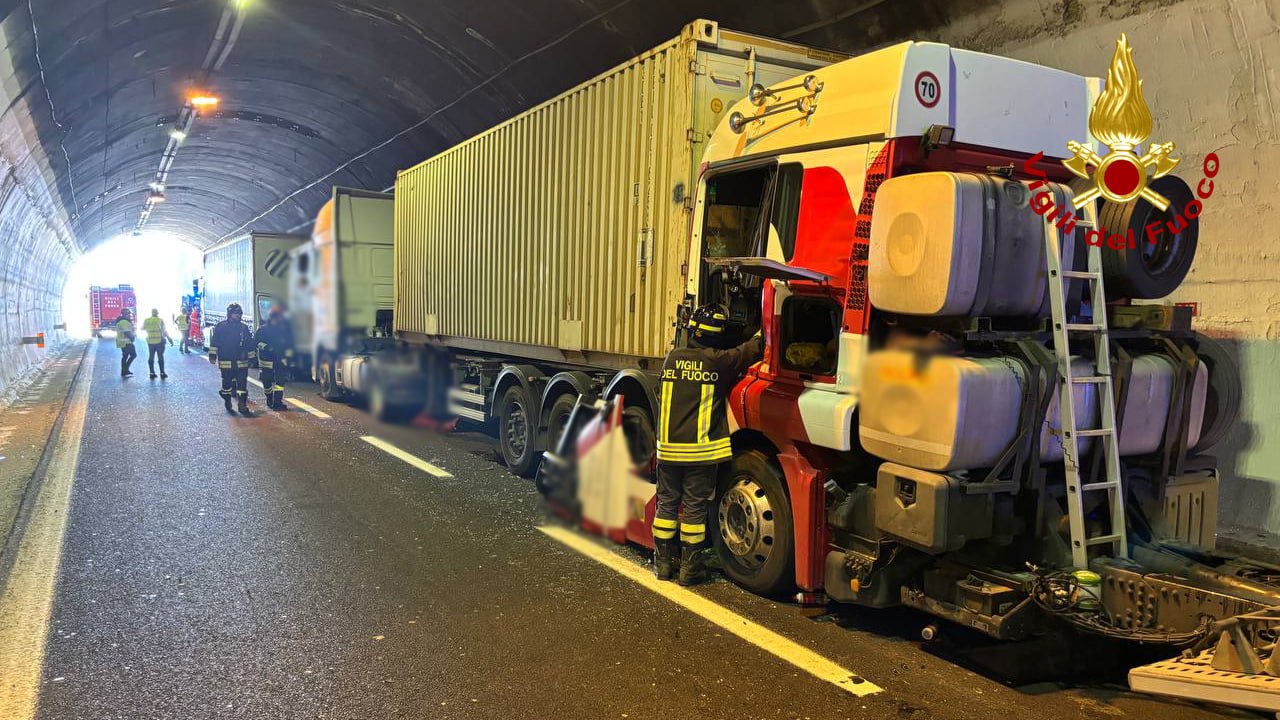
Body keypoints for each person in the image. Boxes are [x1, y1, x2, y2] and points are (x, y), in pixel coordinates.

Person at [652, 303, 762, 585]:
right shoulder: (718, 362)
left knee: (666, 505)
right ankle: (690, 570)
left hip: (668, 450)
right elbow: (749, 351)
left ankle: (662, 565)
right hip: (699, 453)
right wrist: (765, 332)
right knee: (694, 509)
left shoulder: (672, 358)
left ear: (692, 330)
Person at [209, 303, 256, 414]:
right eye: (235, 313)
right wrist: (212, 355)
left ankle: (242, 405)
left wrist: (252, 357)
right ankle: (227, 399)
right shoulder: (221, 326)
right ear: (229, 314)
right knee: (226, 386)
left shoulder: (243, 327)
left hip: (241, 362)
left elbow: (249, 343)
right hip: (226, 362)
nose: (238, 316)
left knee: (242, 385)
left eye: (239, 313)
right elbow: (215, 342)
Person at [253, 304, 296, 410]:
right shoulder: (262, 330)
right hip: (266, 360)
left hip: (280, 360)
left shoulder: (284, 330)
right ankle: (269, 398)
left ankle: (277, 402)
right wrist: (266, 347)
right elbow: (256, 342)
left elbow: (290, 345)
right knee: (267, 382)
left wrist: (289, 358)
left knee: (280, 383)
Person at [142, 308, 174, 379]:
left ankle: (151, 372)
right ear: (157, 313)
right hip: (159, 341)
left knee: (151, 356)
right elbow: (164, 331)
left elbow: (142, 328)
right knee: (160, 356)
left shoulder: (146, 320)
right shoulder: (160, 320)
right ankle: (162, 372)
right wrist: (169, 339)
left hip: (150, 341)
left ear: (151, 313)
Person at [115, 308, 138, 378]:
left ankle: (124, 370)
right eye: (128, 314)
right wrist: (132, 338)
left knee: (125, 356)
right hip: (126, 342)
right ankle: (125, 369)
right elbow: (127, 332)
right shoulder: (124, 321)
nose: (129, 315)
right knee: (133, 355)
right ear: (126, 314)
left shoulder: (122, 321)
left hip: (123, 342)